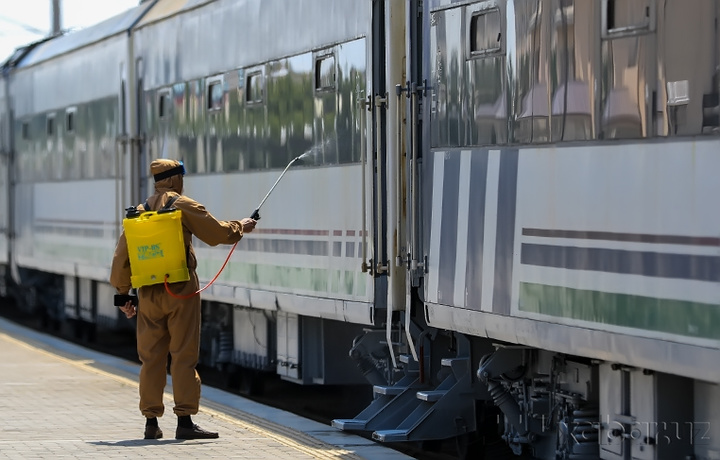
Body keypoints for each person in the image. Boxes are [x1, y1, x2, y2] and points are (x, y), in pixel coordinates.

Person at [110, 159, 256, 440]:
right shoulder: (183, 205)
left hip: (149, 293)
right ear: (176, 179)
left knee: (151, 358)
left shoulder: (137, 212)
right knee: (183, 355)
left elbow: (121, 258)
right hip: (181, 290)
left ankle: (151, 423)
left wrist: (123, 296)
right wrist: (241, 226)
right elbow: (217, 233)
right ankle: (185, 423)